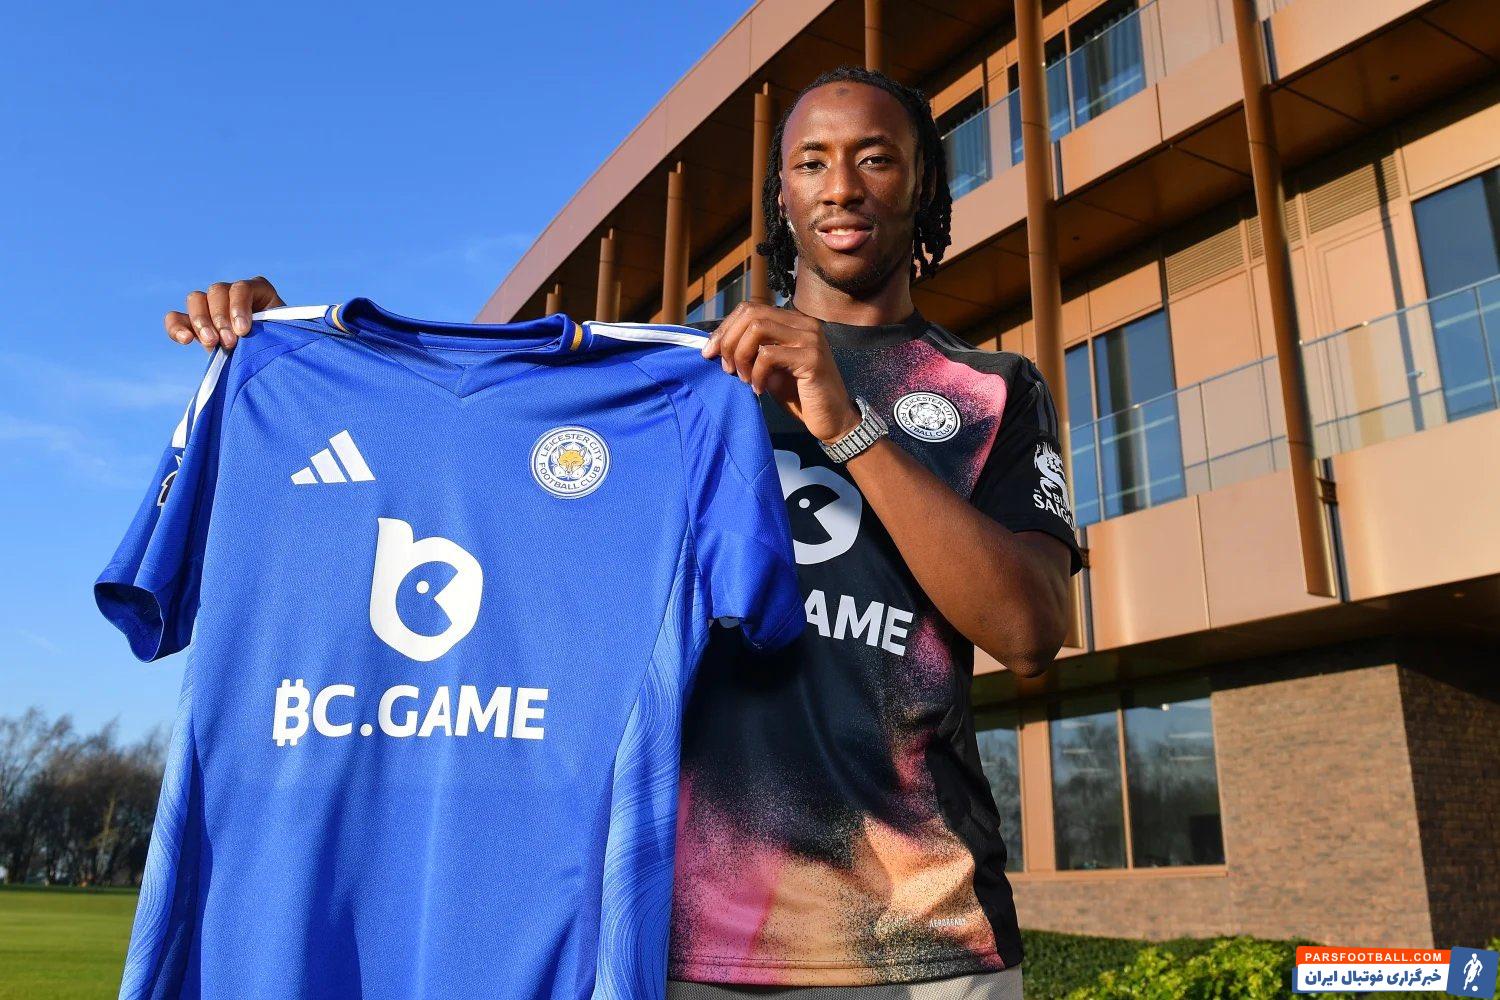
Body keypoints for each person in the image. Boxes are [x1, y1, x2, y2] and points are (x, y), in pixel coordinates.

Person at [159, 65, 1080, 1000]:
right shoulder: (682, 378)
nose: (841, 186)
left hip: (927, 940)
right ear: (782, 195)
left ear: (922, 180)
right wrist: (301, 351)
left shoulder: (990, 391)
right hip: (678, 944)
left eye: (875, 158)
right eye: (812, 162)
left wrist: (850, 426)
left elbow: (1031, 630)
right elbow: (461, 451)